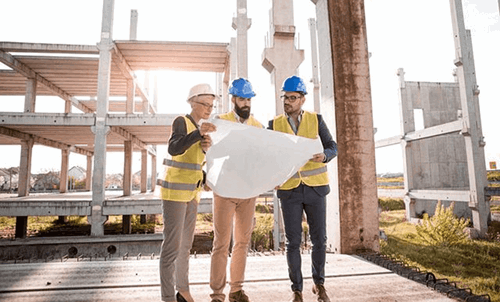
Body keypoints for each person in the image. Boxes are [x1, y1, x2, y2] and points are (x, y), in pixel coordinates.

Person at [268, 76, 337, 302]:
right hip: (289, 190)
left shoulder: (316, 120)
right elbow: (268, 156)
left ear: (302, 99)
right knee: (293, 242)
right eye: (285, 97)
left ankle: (319, 284)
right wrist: (272, 176)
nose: (287, 101)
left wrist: (324, 156)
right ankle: (297, 290)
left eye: (292, 97)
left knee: (319, 239)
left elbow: (332, 146)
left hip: (315, 188)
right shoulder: (274, 124)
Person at [158, 83, 217, 302]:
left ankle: (182, 290)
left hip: (192, 194)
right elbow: (174, 148)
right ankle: (167, 297)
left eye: (212, 105)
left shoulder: (200, 129)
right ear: (192, 102)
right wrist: (198, 134)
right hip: (174, 194)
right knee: (172, 247)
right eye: (205, 104)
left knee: (185, 246)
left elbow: (193, 163)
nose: (209, 109)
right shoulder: (181, 121)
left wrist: (204, 151)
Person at [209, 78, 264, 302]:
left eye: (249, 99)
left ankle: (236, 290)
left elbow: (263, 158)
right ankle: (217, 293)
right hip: (224, 190)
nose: (246, 103)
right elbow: (210, 151)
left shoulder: (258, 127)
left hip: (248, 192)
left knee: (242, 242)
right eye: (242, 98)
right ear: (233, 99)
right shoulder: (220, 122)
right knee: (221, 243)